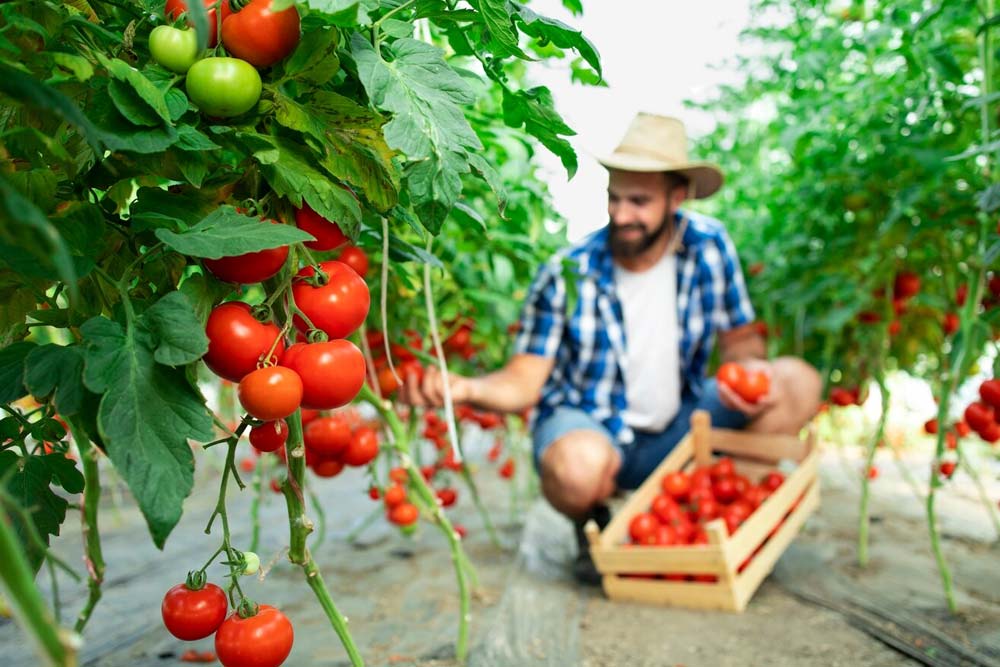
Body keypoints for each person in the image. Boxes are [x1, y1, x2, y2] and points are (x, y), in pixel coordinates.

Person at [399, 113, 822, 584]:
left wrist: (747, 376)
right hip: (593, 431)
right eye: (614, 198)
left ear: (676, 197)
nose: (622, 215)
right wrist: (465, 388)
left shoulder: (708, 247)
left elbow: (741, 339)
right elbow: (524, 381)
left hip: (679, 429)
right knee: (577, 468)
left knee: (798, 382)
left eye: (639, 202)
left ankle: (722, 512)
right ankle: (594, 522)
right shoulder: (568, 271)